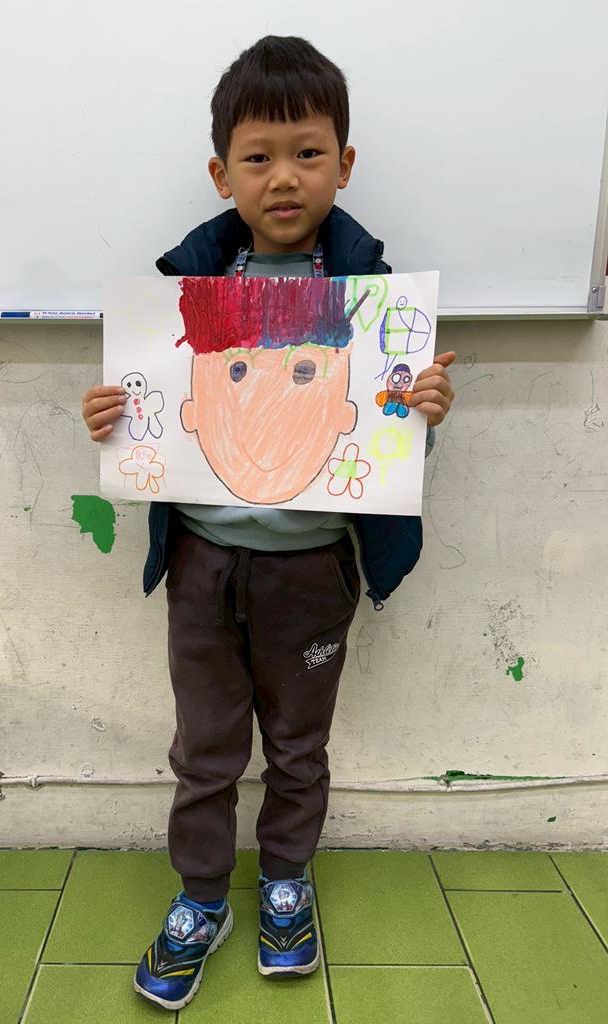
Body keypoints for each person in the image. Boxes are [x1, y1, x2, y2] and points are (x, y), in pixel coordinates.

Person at [81, 35, 456, 1012]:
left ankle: (285, 882)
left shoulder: (370, 297)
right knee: (204, 746)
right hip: (202, 566)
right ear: (222, 174)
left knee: (297, 745)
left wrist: (421, 414)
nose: (283, 176)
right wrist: (114, 416)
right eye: (257, 156)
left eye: (307, 152)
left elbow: (387, 442)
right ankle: (202, 894)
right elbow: (153, 416)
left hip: (310, 572)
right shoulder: (187, 290)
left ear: (344, 163)